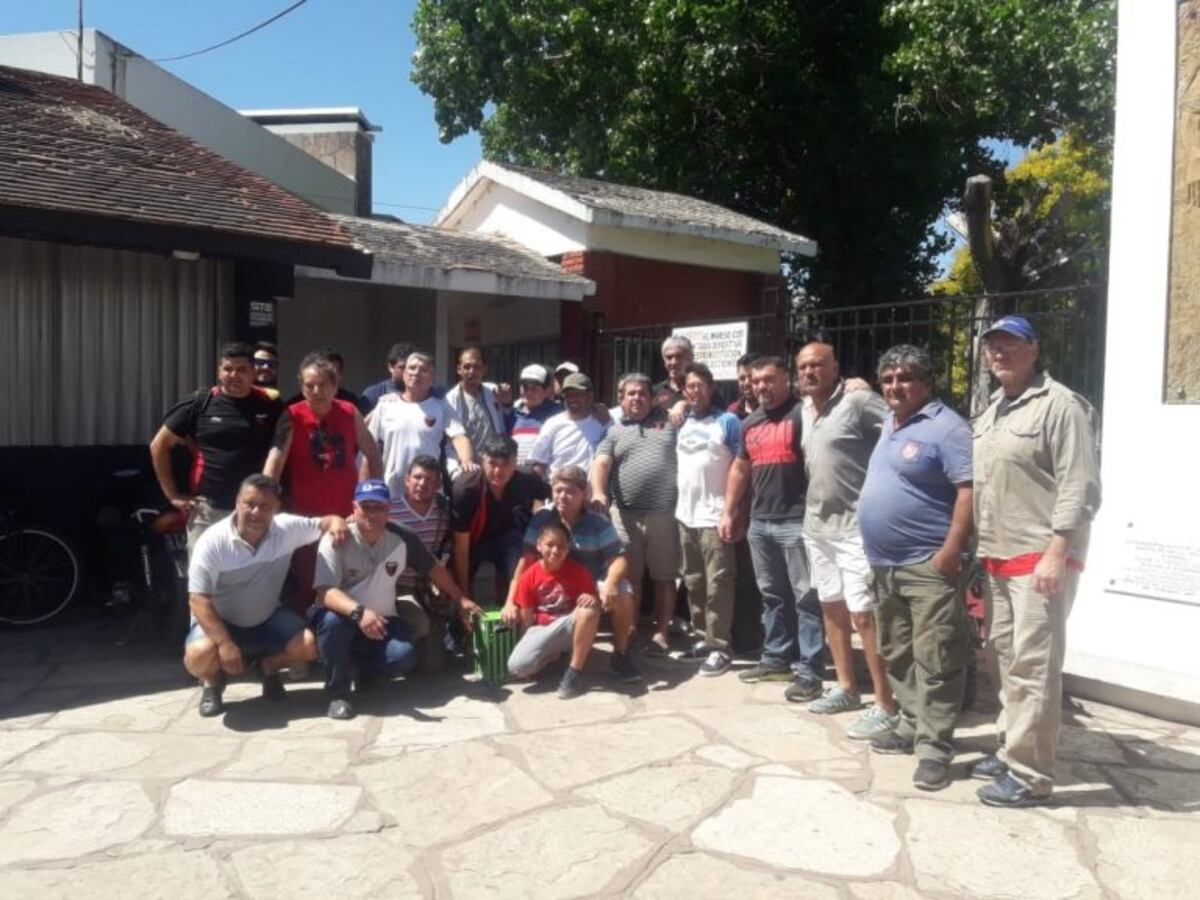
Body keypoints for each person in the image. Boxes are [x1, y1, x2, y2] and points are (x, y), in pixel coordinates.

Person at [971, 316, 1101, 808]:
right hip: (999, 558)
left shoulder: (1061, 406)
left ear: (1034, 350)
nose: (1000, 352)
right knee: (1003, 659)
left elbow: (1079, 485)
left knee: (1033, 667)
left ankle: (1030, 775)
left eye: (1011, 344)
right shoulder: (994, 411)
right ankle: (1011, 746)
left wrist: (1057, 552)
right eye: (994, 346)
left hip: (1039, 560)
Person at [857, 344, 973, 792]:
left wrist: (950, 551)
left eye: (904, 378)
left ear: (926, 383)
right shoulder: (890, 424)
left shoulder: (947, 428)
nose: (894, 386)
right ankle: (910, 723)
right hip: (884, 564)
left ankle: (935, 747)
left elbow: (968, 491)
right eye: (887, 379)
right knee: (897, 650)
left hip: (928, 564)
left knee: (937, 657)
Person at [310, 479, 482, 719]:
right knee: (332, 624)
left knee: (402, 657)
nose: (372, 513)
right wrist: (359, 613)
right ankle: (337, 693)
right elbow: (324, 591)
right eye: (366, 506)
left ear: (388, 509)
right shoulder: (336, 538)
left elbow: (433, 568)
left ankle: (364, 670)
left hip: (383, 617)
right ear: (354, 507)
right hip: (343, 617)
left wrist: (460, 598)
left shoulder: (402, 537)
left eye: (379, 507)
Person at [794, 342, 898, 739]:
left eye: (818, 365)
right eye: (803, 366)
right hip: (817, 525)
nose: (809, 372)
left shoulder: (858, 401)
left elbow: (900, 420)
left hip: (855, 527)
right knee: (831, 607)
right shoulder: (805, 409)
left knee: (864, 615)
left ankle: (886, 703)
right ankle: (847, 688)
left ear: (835, 366)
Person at [182, 474, 348, 717]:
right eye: (249, 504)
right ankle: (214, 683)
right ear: (237, 502)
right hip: (221, 622)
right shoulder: (212, 542)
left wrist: (338, 524)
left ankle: (268, 667)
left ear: (277, 508)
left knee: (312, 645)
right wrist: (225, 643)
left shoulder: (287, 528)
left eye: (265, 506)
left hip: (267, 617)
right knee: (198, 657)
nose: (256, 512)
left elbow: (326, 522)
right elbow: (198, 599)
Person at [719, 356, 826, 702]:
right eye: (756, 380)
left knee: (806, 598)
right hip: (760, 522)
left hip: (797, 521)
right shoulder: (750, 423)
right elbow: (739, 468)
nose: (762, 386)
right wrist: (730, 511)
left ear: (785, 380)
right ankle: (777, 658)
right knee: (773, 595)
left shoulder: (805, 415)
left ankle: (810, 669)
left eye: (769, 379)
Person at [264, 353, 383, 613]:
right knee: (310, 583)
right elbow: (275, 460)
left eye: (323, 384)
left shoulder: (350, 412)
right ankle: (310, 643)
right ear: (301, 385)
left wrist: (375, 499)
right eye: (309, 385)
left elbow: (372, 453)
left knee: (349, 580)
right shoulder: (292, 415)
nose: (316, 391)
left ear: (335, 385)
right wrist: (264, 503)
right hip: (308, 521)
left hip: (348, 516)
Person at [503, 465, 641, 682]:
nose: (563, 496)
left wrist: (611, 583)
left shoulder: (597, 522)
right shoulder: (542, 520)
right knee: (520, 665)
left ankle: (620, 655)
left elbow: (619, 560)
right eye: (558, 490)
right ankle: (554, 648)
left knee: (623, 590)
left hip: (592, 584)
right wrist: (510, 601)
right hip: (554, 584)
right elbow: (526, 561)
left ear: (583, 493)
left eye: (570, 491)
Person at [150, 341, 283, 552]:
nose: (234, 375)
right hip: (208, 511)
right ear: (219, 371)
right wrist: (173, 495)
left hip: (253, 511)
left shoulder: (270, 405)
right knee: (203, 581)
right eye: (227, 369)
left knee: (246, 580)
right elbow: (159, 445)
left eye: (241, 369)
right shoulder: (200, 403)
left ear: (252, 372)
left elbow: (280, 450)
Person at [591, 372, 680, 656]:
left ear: (652, 397)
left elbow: (694, 404)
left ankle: (661, 632)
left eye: (642, 393)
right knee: (632, 576)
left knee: (664, 577)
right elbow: (602, 464)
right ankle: (630, 628)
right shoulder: (614, 431)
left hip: (664, 514)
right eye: (631, 394)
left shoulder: (670, 423)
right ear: (621, 398)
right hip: (625, 515)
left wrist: (684, 407)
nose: (637, 398)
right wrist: (597, 490)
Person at [675, 362, 741, 676]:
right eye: (690, 386)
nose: (695, 391)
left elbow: (743, 467)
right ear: (683, 391)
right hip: (685, 516)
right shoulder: (681, 422)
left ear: (711, 388)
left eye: (701, 385)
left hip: (714, 517)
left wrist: (733, 510)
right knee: (694, 582)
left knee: (719, 584)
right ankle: (702, 639)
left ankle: (720, 647)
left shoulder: (727, 422)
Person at [507, 521, 603, 698]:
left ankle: (574, 672)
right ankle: (554, 654)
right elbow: (526, 617)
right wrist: (526, 645)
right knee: (517, 668)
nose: (555, 551)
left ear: (568, 549)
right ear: (538, 545)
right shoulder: (530, 575)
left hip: (570, 627)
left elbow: (594, 603)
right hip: (543, 629)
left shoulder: (579, 571)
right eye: (550, 545)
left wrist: (592, 598)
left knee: (588, 610)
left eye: (562, 546)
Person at [366, 351, 477, 495]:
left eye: (423, 370)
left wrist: (467, 461)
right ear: (404, 374)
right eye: (411, 368)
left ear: (432, 378)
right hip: (392, 494)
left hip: (429, 493)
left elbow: (459, 437)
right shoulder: (385, 405)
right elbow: (368, 448)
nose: (416, 373)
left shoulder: (442, 407)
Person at [451, 436, 551, 596]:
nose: (498, 471)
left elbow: (556, 495)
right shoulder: (466, 489)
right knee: (460, 593)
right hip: (472, 543)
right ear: (482, 461)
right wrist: (464, 597)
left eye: (505, 464)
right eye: (492, 464)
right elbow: (461, 549)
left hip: (508, 539)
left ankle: (514, 605)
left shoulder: (528, 480)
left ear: (515, 463)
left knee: (520, 578)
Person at [389, 455, 456, 668]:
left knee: (432, 666)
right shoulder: (388, 510)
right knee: (420, 625)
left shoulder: (444, 512)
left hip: (426, 587)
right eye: (417, 477)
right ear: (406, 479)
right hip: (394, 587)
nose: (422, 484)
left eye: (429, 480)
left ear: (437, 485)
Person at [528, 372, 611, 479]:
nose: (572, 398)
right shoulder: (552, 424)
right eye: (568, 394)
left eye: (578, 393)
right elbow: (538, 463)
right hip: (560, 493)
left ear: (590, 395)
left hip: (593, 493)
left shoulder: (603, 421)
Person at [445, 346, 508, 477]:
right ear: (459, 369)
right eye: (467, 367)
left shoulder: (493, 392)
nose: (472, 371)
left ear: (484, 369)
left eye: (476, 367)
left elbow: (506, 421)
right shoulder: (450, 399)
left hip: (494, 465)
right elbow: (457, 435)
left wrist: (507, 403)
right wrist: (467, 461)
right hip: (465, 465)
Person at [507, 364, 563, 465]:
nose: (528, 392)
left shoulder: (559, 413)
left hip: (545, 477)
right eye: (525, 387)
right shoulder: (512, 415)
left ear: (547, 391)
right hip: (517, 476)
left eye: (534, 389)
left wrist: (597, 409)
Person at [362, 342, 415, 413]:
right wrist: (381, 408)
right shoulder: (373, 394)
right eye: (402, 367)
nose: (408, 371)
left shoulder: (431, 393)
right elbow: (360, 423)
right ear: (391, 367)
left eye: (412, 367)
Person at [653, 335, 694, 409]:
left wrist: (684, 404)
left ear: (690, 359)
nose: (674, 362)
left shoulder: (702, 389)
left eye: (679, 357)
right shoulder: (654, 392)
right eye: (669, 357)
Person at [727, 352, 759, 420]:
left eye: (751, 377)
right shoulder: (732, 412)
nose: (747, 383)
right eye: (742, 378)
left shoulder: (771, 410)